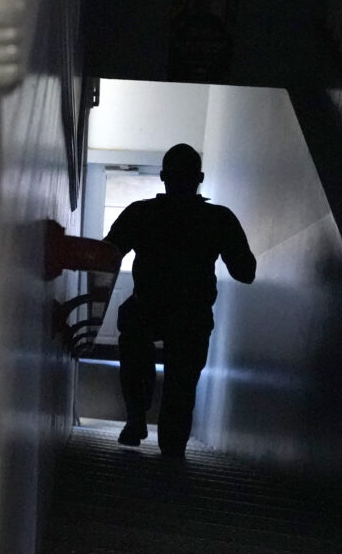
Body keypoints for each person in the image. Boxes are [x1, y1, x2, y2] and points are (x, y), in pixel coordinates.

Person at [103, 143, 256, 460]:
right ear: (200, 177)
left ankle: (135, 418)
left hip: (147, 307)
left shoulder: (141, 213)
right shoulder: (218, 219)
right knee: (182, 383)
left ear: (162, 176)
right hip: (192, 314)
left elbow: (106, 256)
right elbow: (245, 272)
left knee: (134, 350)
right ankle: (172, 449)